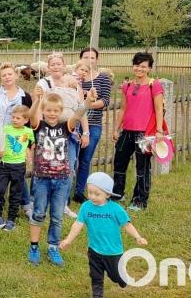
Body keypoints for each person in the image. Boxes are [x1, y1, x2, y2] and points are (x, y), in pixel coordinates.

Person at [27, 90, 95, 266]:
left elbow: (78, 114)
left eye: (55, 111)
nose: (52, 114)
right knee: (39, 212)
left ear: (61, 111)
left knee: (57, 216)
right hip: (42, 178)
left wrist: (87, 102)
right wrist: (37, 100)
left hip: (63, 179)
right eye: (48, 110)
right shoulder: (38, 126)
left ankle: (53, 247)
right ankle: (34, 246)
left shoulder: (66, 126)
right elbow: (31, 117)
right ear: (43, 111)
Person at [60, 172, 148, 298]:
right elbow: (78, 225)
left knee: (116, 276)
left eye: (97, 194)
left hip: (113, 252)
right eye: (90, 192)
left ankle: (121, 279)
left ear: (107, 194)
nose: (92, 197)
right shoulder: (86, 207)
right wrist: (68, 239)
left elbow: (127, 224)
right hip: (94, 251)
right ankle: (97, 295)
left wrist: (138, 237)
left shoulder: (115, 209)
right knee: (96, 276)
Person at [0, 63, 33, 222]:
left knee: (17, 172)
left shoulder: (25, 96)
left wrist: (27, 146)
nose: (7, 77)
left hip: (13, 141)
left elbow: (27, 123)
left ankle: (26, 205)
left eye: (10, 74)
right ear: (0, 78)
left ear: (16, 75)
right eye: (4, 75)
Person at [36, 53, 89, 218]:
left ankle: (63, 203)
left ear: (64, 66)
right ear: (48, 67)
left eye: (59, 64)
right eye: (53, 64)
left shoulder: (74, 84)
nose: (56, 67)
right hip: (51, 132)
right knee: (49, 168)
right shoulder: (44, 83)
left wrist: (85, 131)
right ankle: (44, 203)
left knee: (70, 166)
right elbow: (38, 106)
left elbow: (81, 110)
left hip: (71, 131)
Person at [111, 52, 164, 211]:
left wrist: (159, 131)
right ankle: (117, 194)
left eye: (143, 66)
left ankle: (140, 200)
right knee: (119, 163)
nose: (139, 68)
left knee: (142, 167)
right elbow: (123, 109)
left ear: (149, 68)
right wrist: (116, 129)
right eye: (137, 65)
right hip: (126, 131)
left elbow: (159, 108)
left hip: (144, 133)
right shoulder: (127, 86)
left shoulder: (154, 85)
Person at [73, 47, 113, 204]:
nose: (89, 60)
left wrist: (86, 104)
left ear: (97, 60)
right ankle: (68, 189)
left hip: (93, 123)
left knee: (85, 159)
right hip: (76, 124)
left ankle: (79, 191)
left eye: (92, 57)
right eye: (85, 57)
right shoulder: (75, 78)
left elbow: (105, 101)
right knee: (73, 158)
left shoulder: (103, 78)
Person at [0, 105, 34, 232]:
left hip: (19, 166)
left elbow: (30, 145)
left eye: (18, 118)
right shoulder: (6, 129)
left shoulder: (28, 132)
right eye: (13, 117)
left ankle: (11, 219)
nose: (15, 120)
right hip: (4, 165)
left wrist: (29, 156)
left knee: (16, 193)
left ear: (26, 120)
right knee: (0, 190)